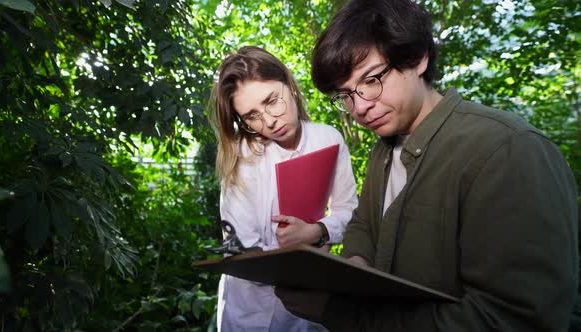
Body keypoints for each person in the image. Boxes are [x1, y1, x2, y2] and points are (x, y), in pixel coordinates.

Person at [275, 0, 579, 331]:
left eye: (373, 79)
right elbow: (364, 225)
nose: (360, 107)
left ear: (419, 57)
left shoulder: (508, 150)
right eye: (346, 95)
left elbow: (514, 320)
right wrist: (354, 267)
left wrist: (341, 312)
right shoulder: (383, 151)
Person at [209, 46, 358, 331]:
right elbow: (240, 250)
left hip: (308, 311)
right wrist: (306, 250)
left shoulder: (329, 139)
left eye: (272, 101)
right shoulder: (240, 158)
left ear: (288, 85)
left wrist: (317, 231)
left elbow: (350, 211)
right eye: (251, 116)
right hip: (246, 316)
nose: (268, 121)